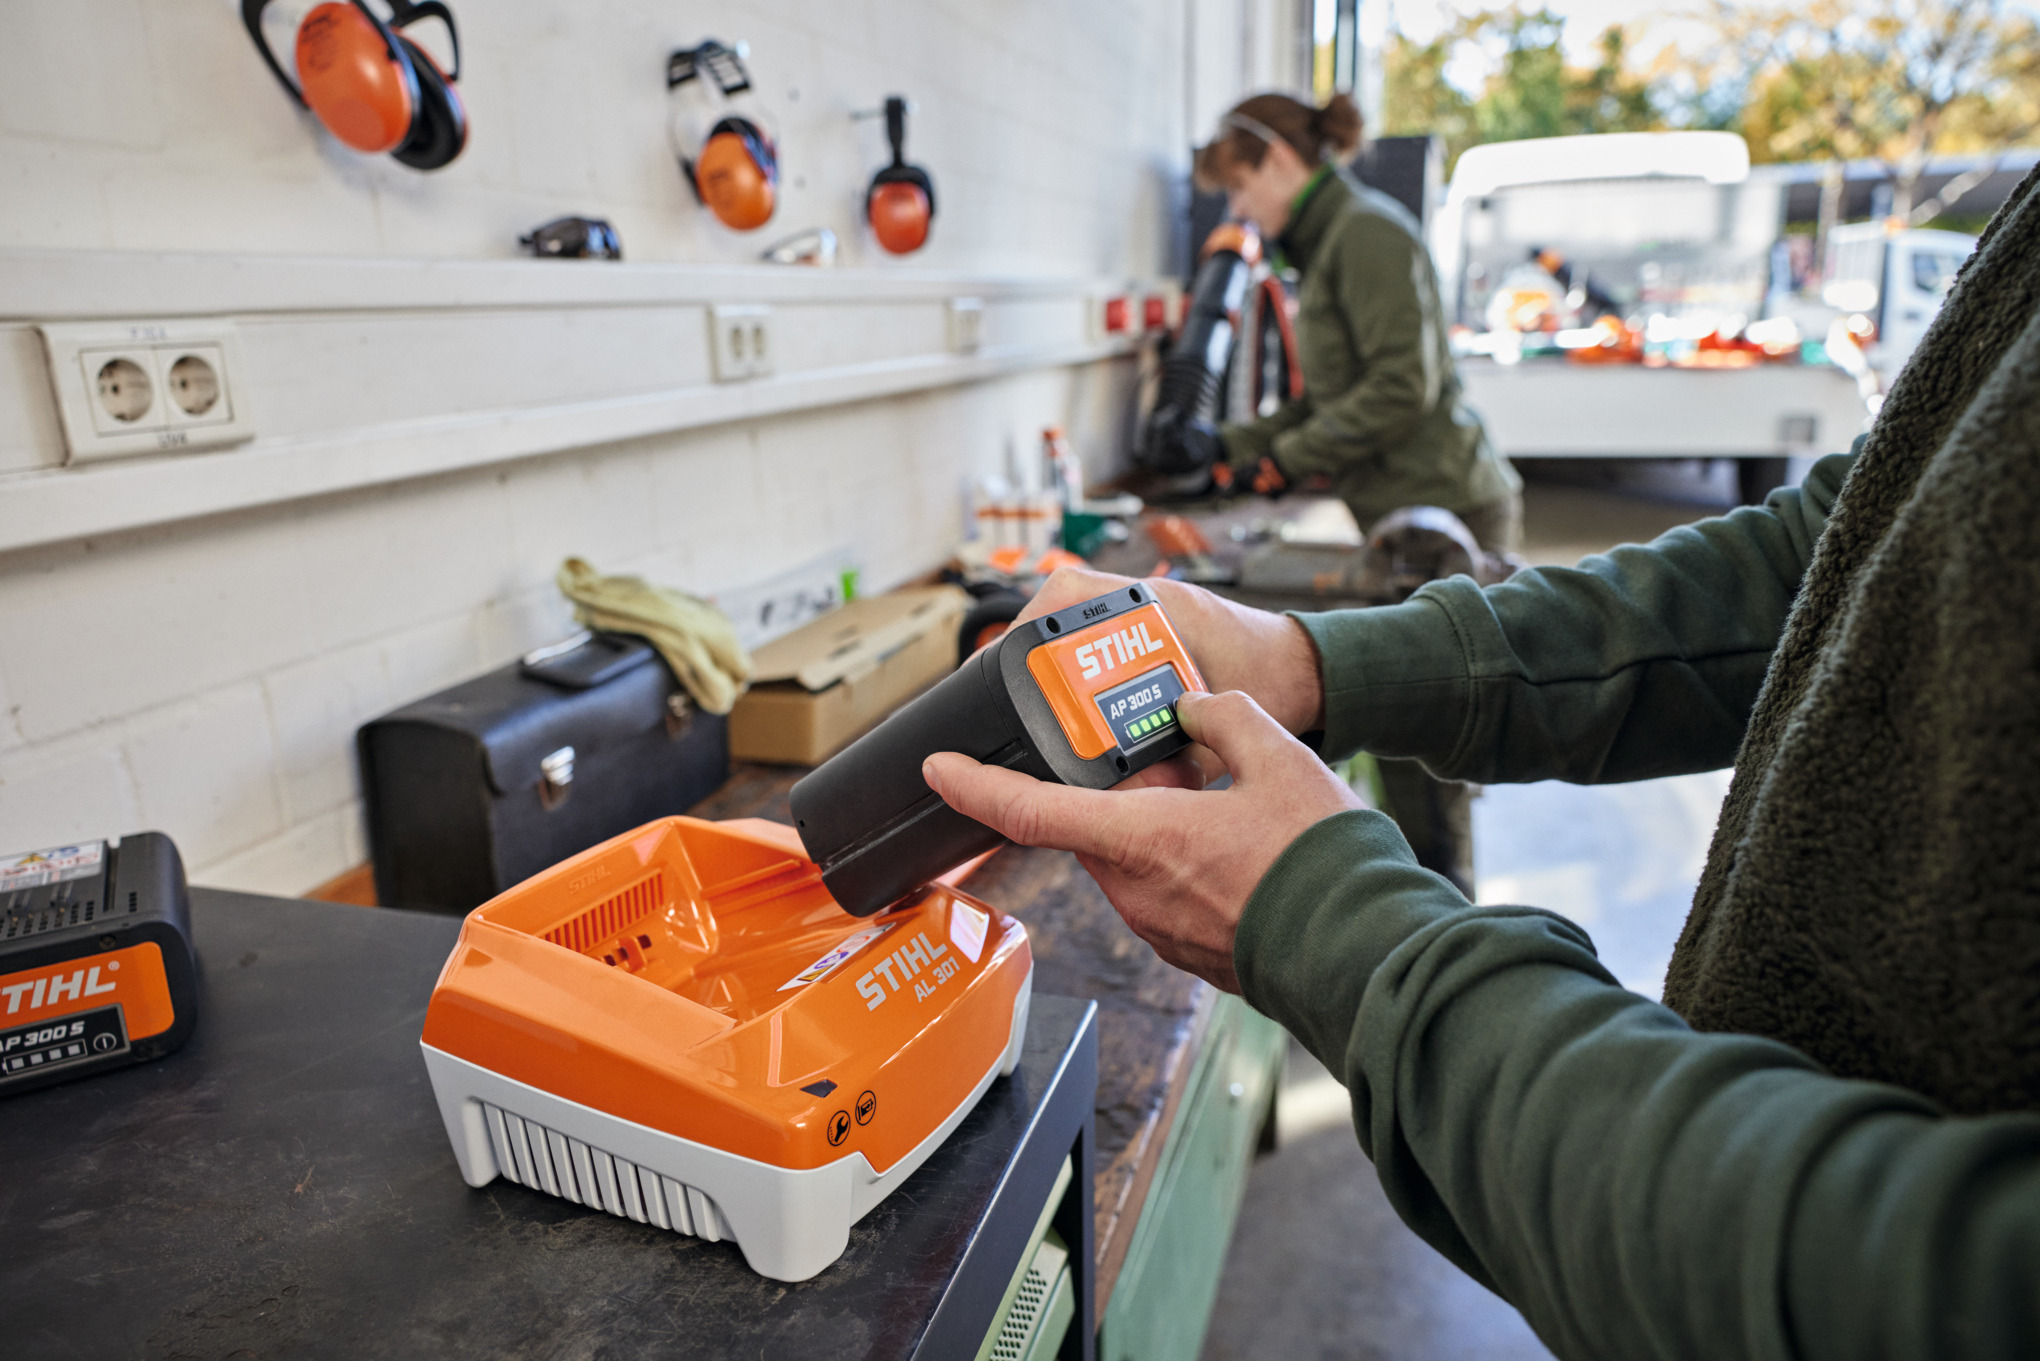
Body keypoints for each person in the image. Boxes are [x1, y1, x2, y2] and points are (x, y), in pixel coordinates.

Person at [921, 164, 2040, 1357]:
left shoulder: (1362, 236)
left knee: (1416, 822)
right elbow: (1840, 550)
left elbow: (1945, 1282)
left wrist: (1333, 923)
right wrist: (1308, 659)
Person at [1195, 92, 1522, 555]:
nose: (1238, 210)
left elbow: (1401, 386)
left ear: (1279, 159)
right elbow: (1329, 399)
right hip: (1404, 510)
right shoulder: (1326, 241)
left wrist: (1283, 462)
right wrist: (1224, 445)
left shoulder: (1364, 233)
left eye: (1240, 187)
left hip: (1447, 509)